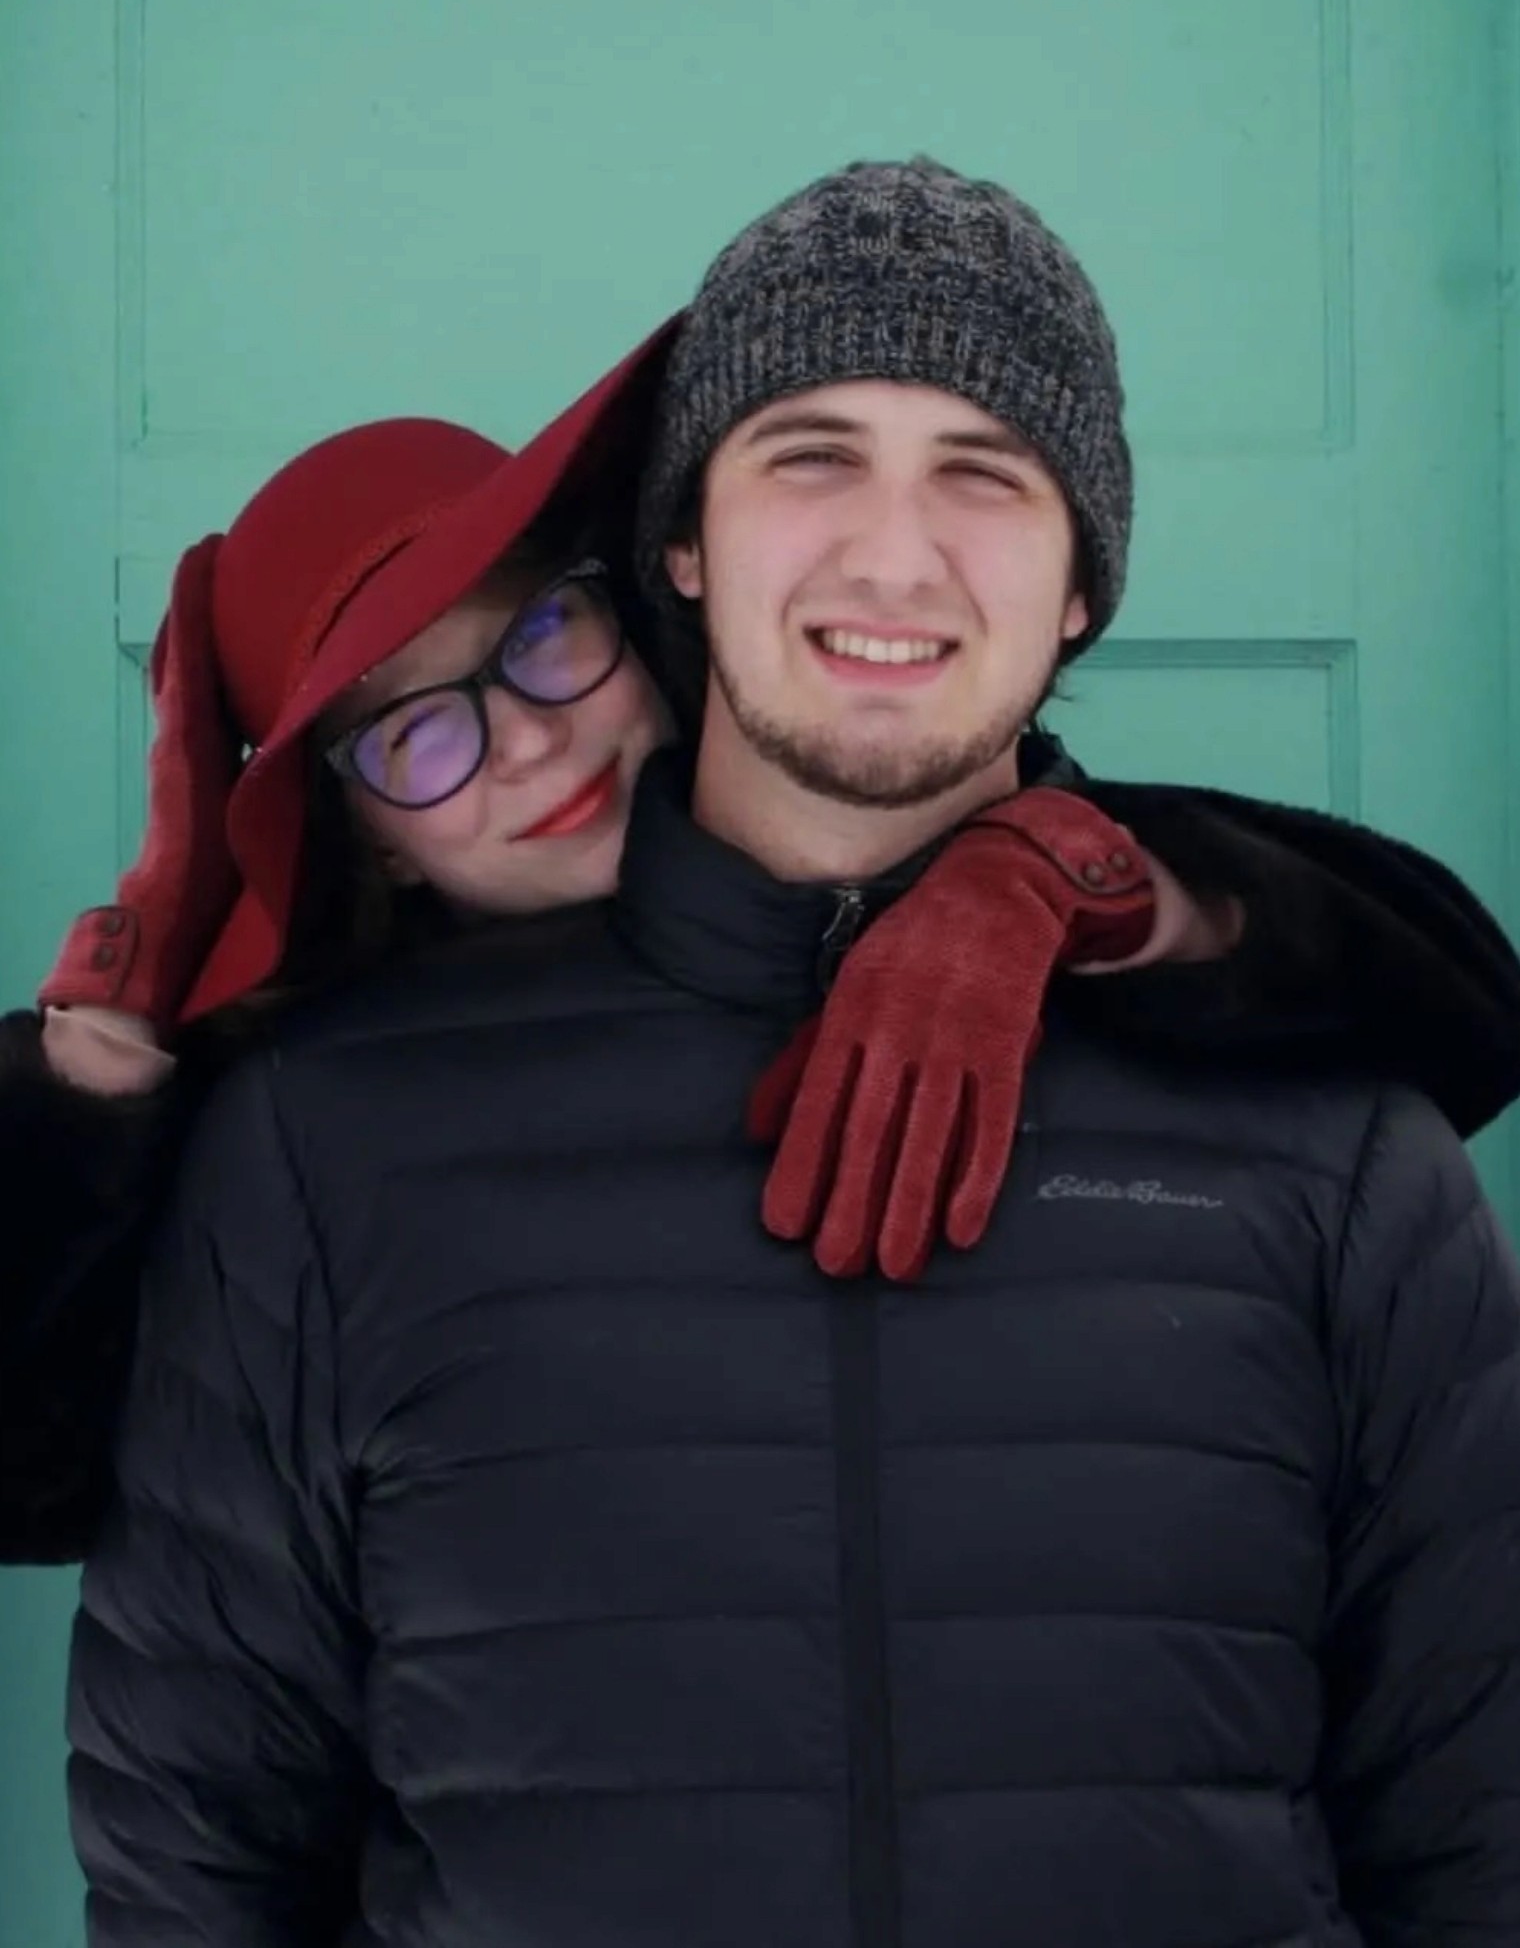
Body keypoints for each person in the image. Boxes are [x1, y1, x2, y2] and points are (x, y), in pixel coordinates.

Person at [62, 161, 1520, 1945]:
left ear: (1082, 587)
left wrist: (1060, 884)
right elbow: (190, 1858)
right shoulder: (318, 1151)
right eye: (810, 453)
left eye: (986, 473)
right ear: (682, 543)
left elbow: (1483, 1838)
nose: (892, 555)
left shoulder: (1339, 1138)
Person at [7, 332, 1517, 1579]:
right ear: (370, 834)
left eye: (540, 638)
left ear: (632, 606)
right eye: (414, 732)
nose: (526, 741)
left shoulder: (874, 840)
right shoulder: (310, 1128)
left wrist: (1052, 867)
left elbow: (1457, 996)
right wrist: (105, 1044)